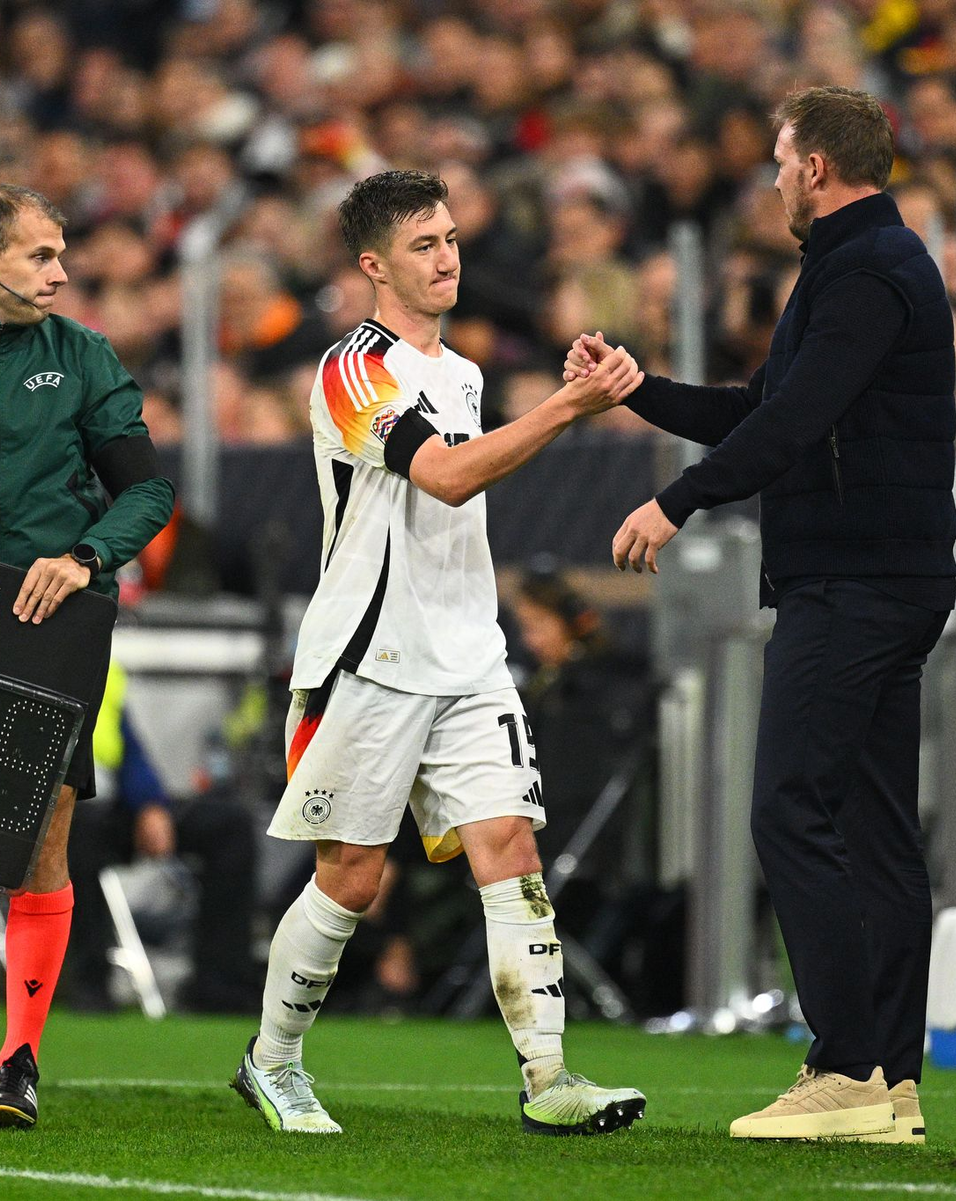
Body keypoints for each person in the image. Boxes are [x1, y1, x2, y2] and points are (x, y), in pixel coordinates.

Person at [566, 86, 956, 1143]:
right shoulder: (857, 266)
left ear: (818, 168)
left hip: (857, 584)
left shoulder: (868, 269)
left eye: (783, 161)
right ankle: (891, 1082)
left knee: (790, 806)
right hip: (879, 580)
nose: (775, 178)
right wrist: (639, 389)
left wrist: (675, 500)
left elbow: (793, 421)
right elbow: (761, 408)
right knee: (874, 831)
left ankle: (846, 1066)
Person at [230, 169, 647, 1136]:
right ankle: (273, 1059)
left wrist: (559, 399)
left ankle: (549, 1077)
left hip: (468, 655)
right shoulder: (349, 371)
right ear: (374, 265)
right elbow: (450, 478)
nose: (448, 255)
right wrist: (565, 409)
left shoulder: (464, 375)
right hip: (370, 655)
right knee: (354, 878)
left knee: (510, 845)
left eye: (453, 237)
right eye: (424, 244)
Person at [0, 185, 174, 1129]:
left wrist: (83, 558)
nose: (62, 272)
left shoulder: (82, 355)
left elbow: (146, 495)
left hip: (55, 614)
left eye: (61, 252)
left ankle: (19, 1060)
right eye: (41, 255)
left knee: (43, 835)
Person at [65, 663, 261, 1014]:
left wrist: (149, 804)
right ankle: (87, 982)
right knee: (81, 830)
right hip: (55, 813)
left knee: (229, 825)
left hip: (107, 806)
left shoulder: (102, 665)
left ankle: (221, 986)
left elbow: (129, 748)